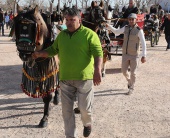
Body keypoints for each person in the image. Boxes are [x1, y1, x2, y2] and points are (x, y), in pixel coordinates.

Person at [32, 7, 103, 138]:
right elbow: (53, 50)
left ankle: (87, 124)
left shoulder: (89, 34)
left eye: (72, 20)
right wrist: (39, 53)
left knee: (84, 110)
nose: (69, 22)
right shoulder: (62, 36)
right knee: (66, 112)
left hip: (84, 78)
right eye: (67, 20)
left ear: (79, 19)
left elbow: (98, 54)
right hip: (65, 79)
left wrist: (98, 70)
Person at [106, 13, 146, 95]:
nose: (131, 21)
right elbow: (117, 32)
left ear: (135, 20)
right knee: (124, 71)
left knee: (133, 73)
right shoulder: (125, 28)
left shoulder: (139, 30)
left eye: (132, 19)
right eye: (130, 19)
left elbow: (143, 43)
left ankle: (131, 88)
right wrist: (109, 26)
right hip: (125, 54)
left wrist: (144, 55)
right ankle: (129, 82)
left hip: (134, 55)